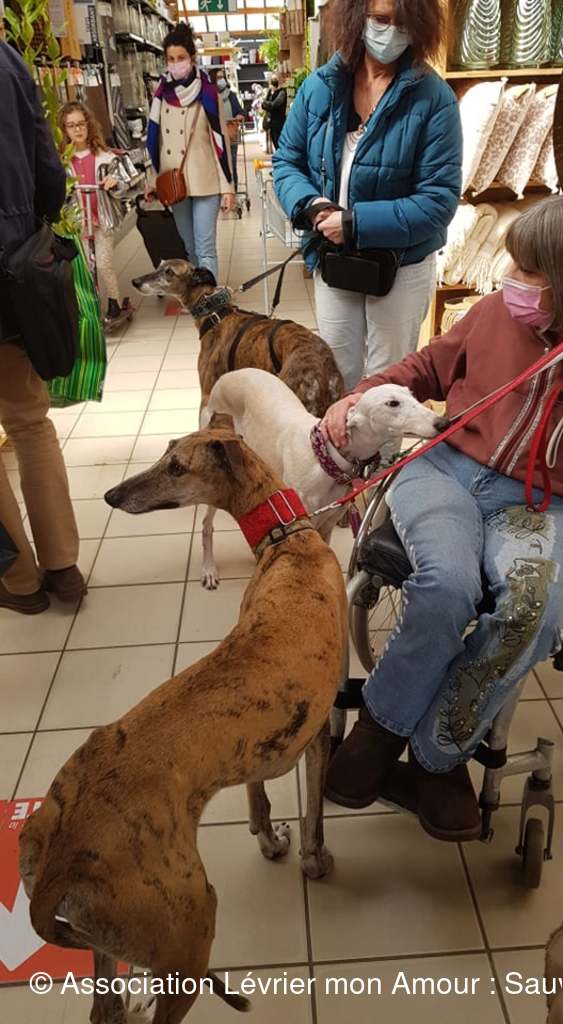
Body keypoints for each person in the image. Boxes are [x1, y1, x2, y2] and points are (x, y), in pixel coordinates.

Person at [322, 197, 563, 841]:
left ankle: (438, 753)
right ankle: (381, 729)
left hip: (535, 502)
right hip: (445, 468)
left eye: (531, 271)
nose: (512, 280)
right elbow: (426, 367)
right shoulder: (494, 312)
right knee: (447, 583)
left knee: (535, 611)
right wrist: (359, 395)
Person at [272, 0, 462, 391]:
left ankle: (383, 437)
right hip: (334, 257)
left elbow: (439, 199)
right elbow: (287, 160)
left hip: (400, 264)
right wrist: (312, 206)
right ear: (357, 17)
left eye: (402, 21)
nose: (390, 31)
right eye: (380, 19)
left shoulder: (433, 98)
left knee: (387, 382)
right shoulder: (319, 88)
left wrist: (356, 223)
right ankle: (340, 436)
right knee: (336, 374)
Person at [0, 41, 86, 614]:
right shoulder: (7, 61)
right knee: (30, 423)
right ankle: (62, 567)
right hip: (13, 272)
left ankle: (19, 580)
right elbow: (49, 172)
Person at [146, 22, 235, 283]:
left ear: (192, 58)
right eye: (171, 59)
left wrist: (228, 188)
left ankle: (210, 300)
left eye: (181, 58)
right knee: (189, 249)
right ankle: (197, 297)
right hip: (174, 182)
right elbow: (156, 142)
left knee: (205, 248)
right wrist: (153, 180)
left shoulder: (208, 93)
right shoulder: (161, 95)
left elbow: (220, 143)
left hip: (206, 181)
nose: (176, 64)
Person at [59, 101, 124, 326]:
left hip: (102, 220)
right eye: (71, 126)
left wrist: (114, 182)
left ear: (89, 125)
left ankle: (114, 301)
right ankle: (89, 305)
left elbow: (124, 182)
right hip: (78, 223)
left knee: (104, 264)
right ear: (64, 130)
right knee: (85, 267)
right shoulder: (63, 162)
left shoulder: (105, 157)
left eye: (81, 124)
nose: (78, 129)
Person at [213, 70, 244, 193]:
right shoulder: (210, 96)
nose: (221, 80)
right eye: (218, 77)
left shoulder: (231, 95)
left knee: (232, 164)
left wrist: (239, 116)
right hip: (216, 138)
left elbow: (240, 111)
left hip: (231, 135)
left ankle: (233, 190)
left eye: (222, 77)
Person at [261, 74, 287, 151]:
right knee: (274, 140)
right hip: (271, 122)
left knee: (279, 141)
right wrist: (267, 104)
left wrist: (267, 105)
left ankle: (281, 155)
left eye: (275, 79)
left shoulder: (282, 92)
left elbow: (274, 104)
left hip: (279, 121)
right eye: (272, 79)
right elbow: (264, 104)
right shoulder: (270, 91)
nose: (273, 81)